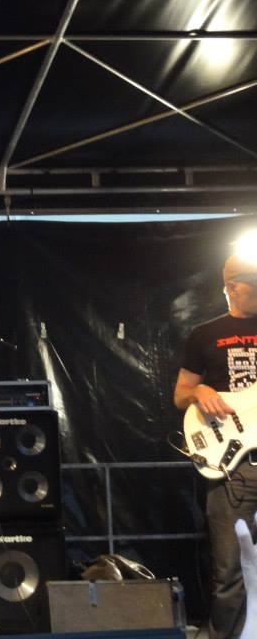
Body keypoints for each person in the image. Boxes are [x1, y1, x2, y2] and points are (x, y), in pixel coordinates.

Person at [174, 252, 257, 639]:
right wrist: (201, 391)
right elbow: (180, 394)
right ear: (233, 287)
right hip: (234, 464)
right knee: (229, 570)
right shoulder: (206, 334)